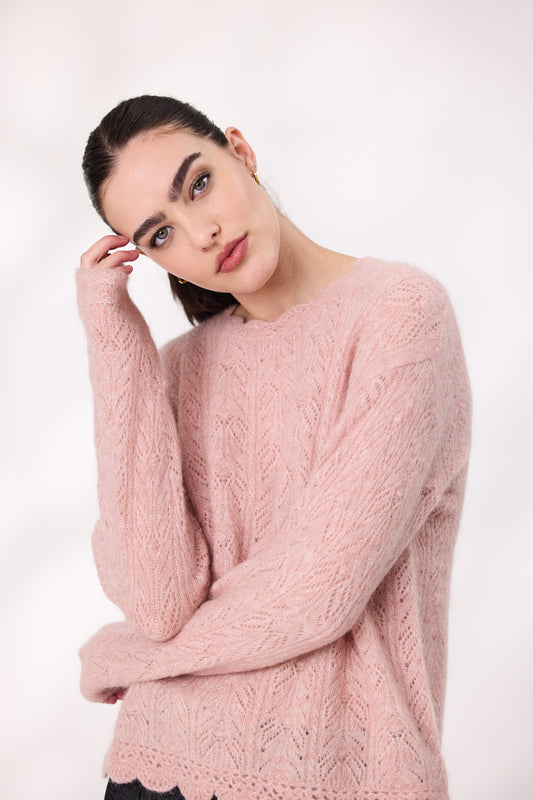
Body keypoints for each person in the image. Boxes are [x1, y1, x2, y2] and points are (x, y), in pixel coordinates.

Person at [77, 95, 472, 800]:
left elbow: (316, 594)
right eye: (160, 234)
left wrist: (128, 657)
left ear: (241, 151)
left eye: (199, 184)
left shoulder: (399, 315)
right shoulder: (177, 370)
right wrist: (113, 337)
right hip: (154, 765)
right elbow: (159, 603)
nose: (202, 234)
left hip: (337, 775)